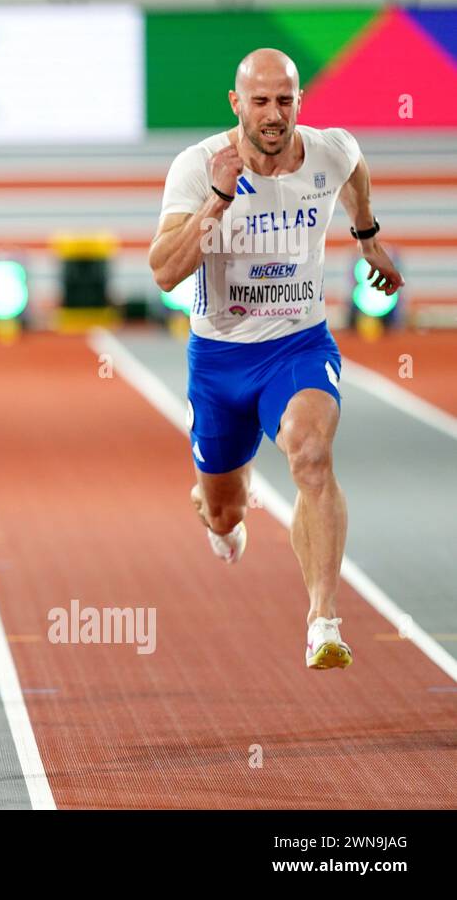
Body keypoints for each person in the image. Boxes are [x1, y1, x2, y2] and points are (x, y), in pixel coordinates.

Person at [149, 47, 403, 669]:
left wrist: (366, 234)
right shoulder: (197, 166)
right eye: (259, 101)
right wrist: (215, 200)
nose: (273, 114)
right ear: (236, 104)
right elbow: (162, 272)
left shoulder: (329, 150)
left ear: (299, 104)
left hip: (298, 345)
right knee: (224, 510)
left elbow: (355, 167)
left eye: (284, 100)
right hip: (220, 359)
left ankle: (323, 619)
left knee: (310, 454)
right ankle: (213, 509)